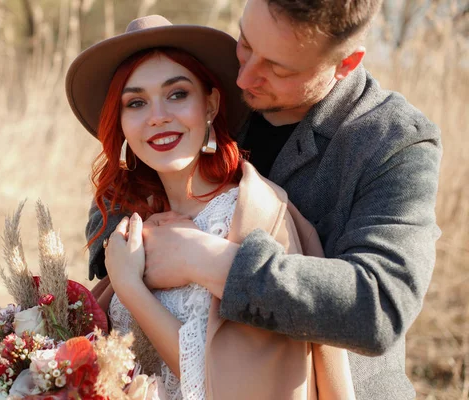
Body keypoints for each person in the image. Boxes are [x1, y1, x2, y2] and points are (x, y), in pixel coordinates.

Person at [84, 1, 442, 400]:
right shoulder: (222, 99)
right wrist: (135, 237)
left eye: (278, 67)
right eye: (245, 42)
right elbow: (137, 170)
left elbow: (378, 306)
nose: (246, 75)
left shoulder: (393, 141)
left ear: (346, 64)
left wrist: (198, 257)